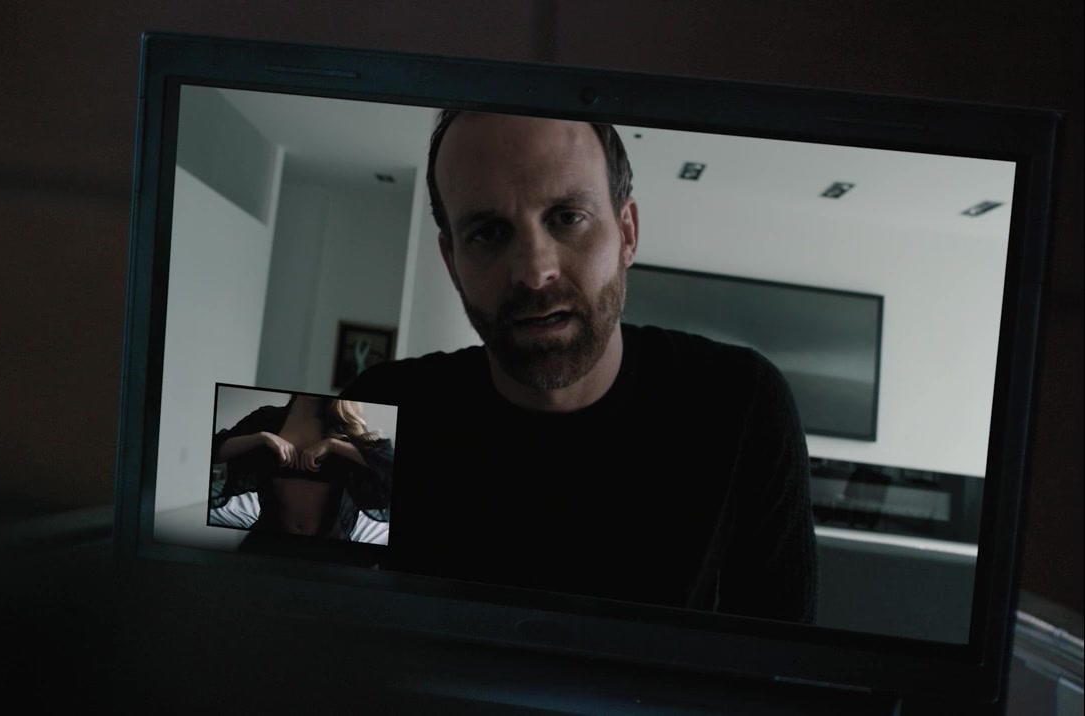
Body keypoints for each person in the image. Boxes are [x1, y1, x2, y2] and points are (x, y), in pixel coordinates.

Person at [339, 111, 817, 623]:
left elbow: (776, 656)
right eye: (488, 233)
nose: (534, 271)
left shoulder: (739, 402)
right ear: (452, 261)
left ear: (627, 233)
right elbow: (321, 630)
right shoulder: (380, 410)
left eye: (567, 217)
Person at [211, 395, 393, 541]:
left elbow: (387, 466)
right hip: (270, 539)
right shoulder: (266, 418)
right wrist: (261, 438)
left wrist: (334, 445)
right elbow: (215, 450)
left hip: (330, 549)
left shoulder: (346, 428)